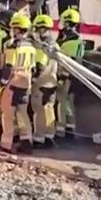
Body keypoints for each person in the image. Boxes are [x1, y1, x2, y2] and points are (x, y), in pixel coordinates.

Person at [0, 13, 37, 154]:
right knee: (23, 113)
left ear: (16, 29)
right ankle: (27, 141)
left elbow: (9, 66)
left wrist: (2, 83)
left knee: (7, 114)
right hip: (26, 83)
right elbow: (34, 67)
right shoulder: (32, 46)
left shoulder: (12, 45)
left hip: (13, 82)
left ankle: (6, 144)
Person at [56, 7, 85, 140]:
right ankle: (70, 128)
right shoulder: (77, 39)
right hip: (76, 76)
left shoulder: (69, 42)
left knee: (62, 101)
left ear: (67, 23)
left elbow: (69, 62)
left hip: (67, 76)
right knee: (68, 103)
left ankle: (60, 130)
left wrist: (62, 77)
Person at [30, 14, 59, 148]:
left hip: (40, 84)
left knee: (39, 111)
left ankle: (39, 139)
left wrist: (33, 79)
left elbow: (40, 66)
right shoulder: (55, 45)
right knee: (49, 109)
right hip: (52, 82)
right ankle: (49, 136)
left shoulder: (41, 48)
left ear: (40, 29)